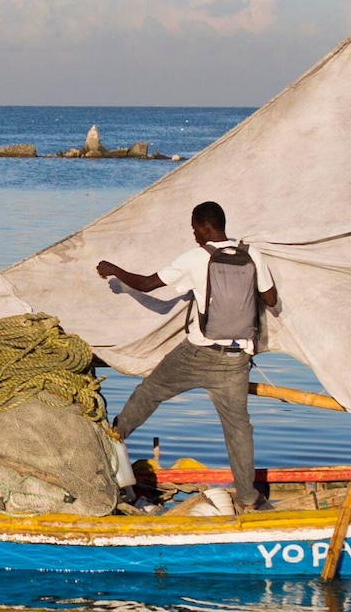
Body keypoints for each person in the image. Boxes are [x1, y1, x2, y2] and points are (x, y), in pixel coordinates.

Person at [94, 201, 280, 508]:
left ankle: (111, 438)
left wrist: (114, 270)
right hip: (236, 360)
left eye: (195, 228)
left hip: (198, 354)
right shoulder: (251, 254)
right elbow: (271, 299)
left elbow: (148, 284)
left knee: (150, 392)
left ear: (206, 227)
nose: (194, 234)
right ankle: (249, 497)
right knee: (238, 430)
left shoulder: (196, 258)